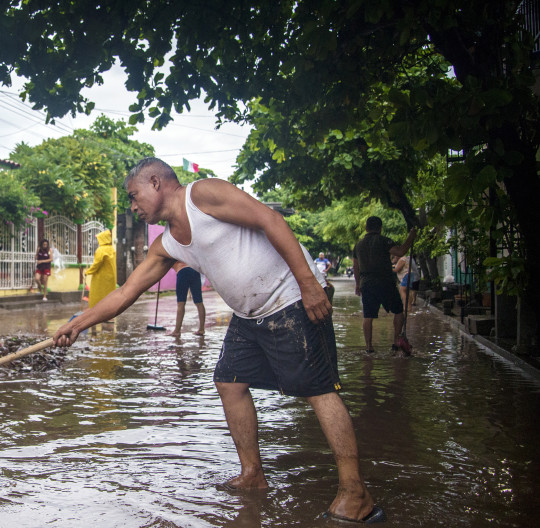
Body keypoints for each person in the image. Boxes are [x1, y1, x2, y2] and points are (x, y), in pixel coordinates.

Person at [54, 158, 382, 523]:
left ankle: (356, 492)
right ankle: (253, 474)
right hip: (248, 316)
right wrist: (79, 323)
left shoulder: (202, 195)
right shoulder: (166, 246)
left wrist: (308, 283)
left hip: (290, 296)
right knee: (229, 381)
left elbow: (270, 220)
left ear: (155, 182)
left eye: (134, 196)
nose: (133, 207)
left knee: (317, 389)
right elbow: (127, 292)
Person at [352, 216, 416, 354]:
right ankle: (395, 343)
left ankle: (369, 347)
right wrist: (411, 237)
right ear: (380, 228)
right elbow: (400, 251)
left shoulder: (358, 245)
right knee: (398, 311)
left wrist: (358, 285)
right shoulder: (383, 240)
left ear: (366, 228)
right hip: (385, 282)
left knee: (368, 316)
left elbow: (355, 267)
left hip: (367, 284)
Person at [170, 261, 206, 338]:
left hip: (182, 272)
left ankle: (177, 331)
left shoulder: (173, 252)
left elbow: (165, 264)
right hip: (195, 271)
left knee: (181, 303)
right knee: (199, 302)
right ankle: (201, 329)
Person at [84, 230, 116, 308]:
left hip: (101, 277)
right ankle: (108, 314)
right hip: (111, 277)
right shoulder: (111, 249)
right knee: (108, 296)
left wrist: (88, 271)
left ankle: (97, 312)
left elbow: (97, 264)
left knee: (98, 295)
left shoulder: (101, 250)